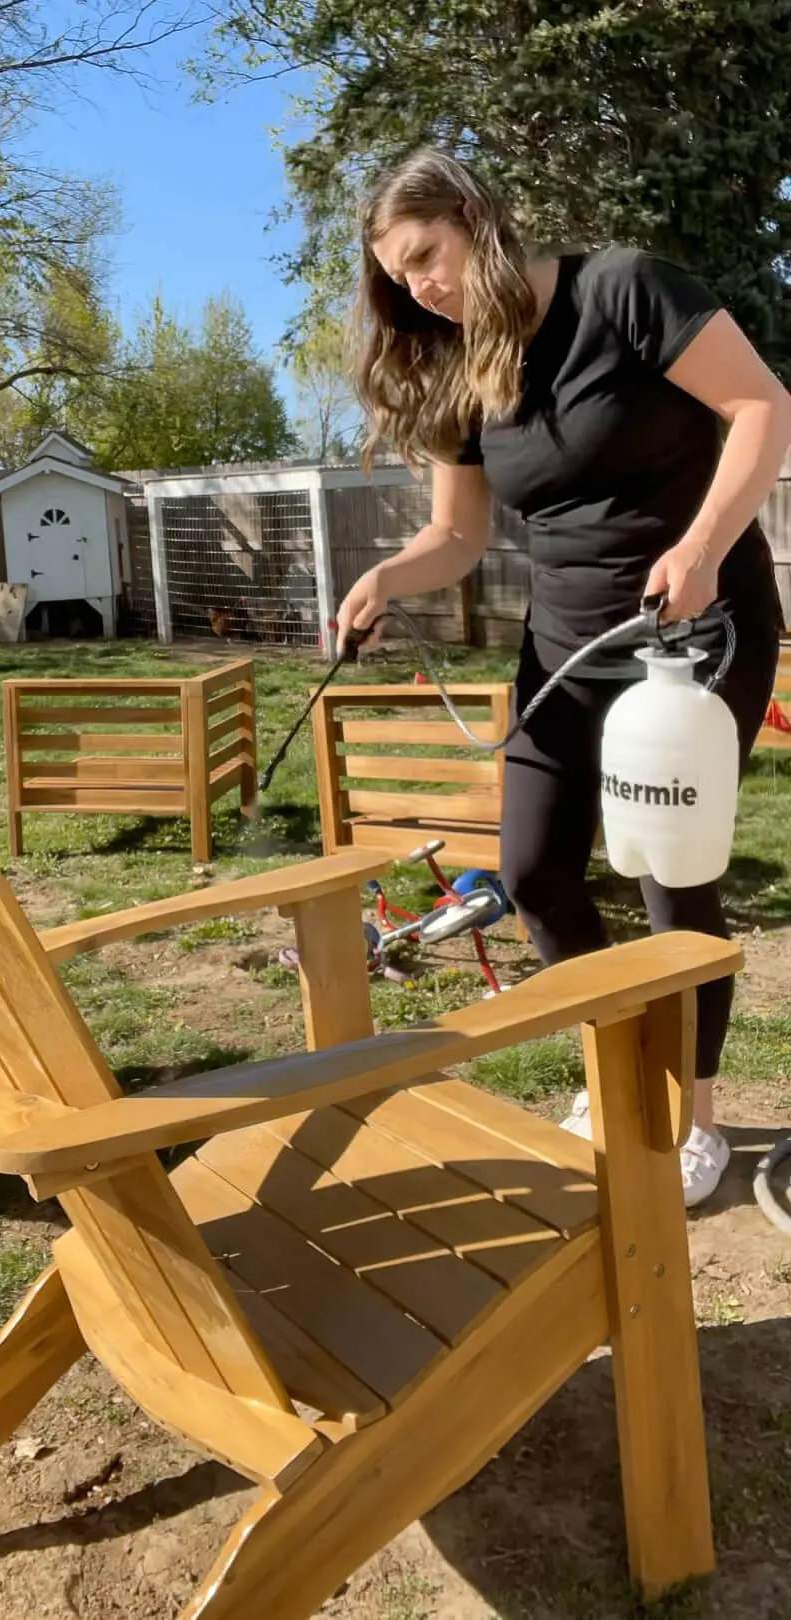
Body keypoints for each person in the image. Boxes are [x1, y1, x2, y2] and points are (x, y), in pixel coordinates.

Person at [336, 147, 790, 1207]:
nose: (424, 290)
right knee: (536, 872)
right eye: (402, 283)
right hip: (568, 645)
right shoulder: (464, 371)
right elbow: (455, 536)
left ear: (473, 217)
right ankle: (618, 1067)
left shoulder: (625, 290)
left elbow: (765, 407)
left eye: (427, 259)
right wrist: (388, 576)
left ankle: (692, 1116)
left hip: (698, 628)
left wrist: (709, 546)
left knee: (669, 875)